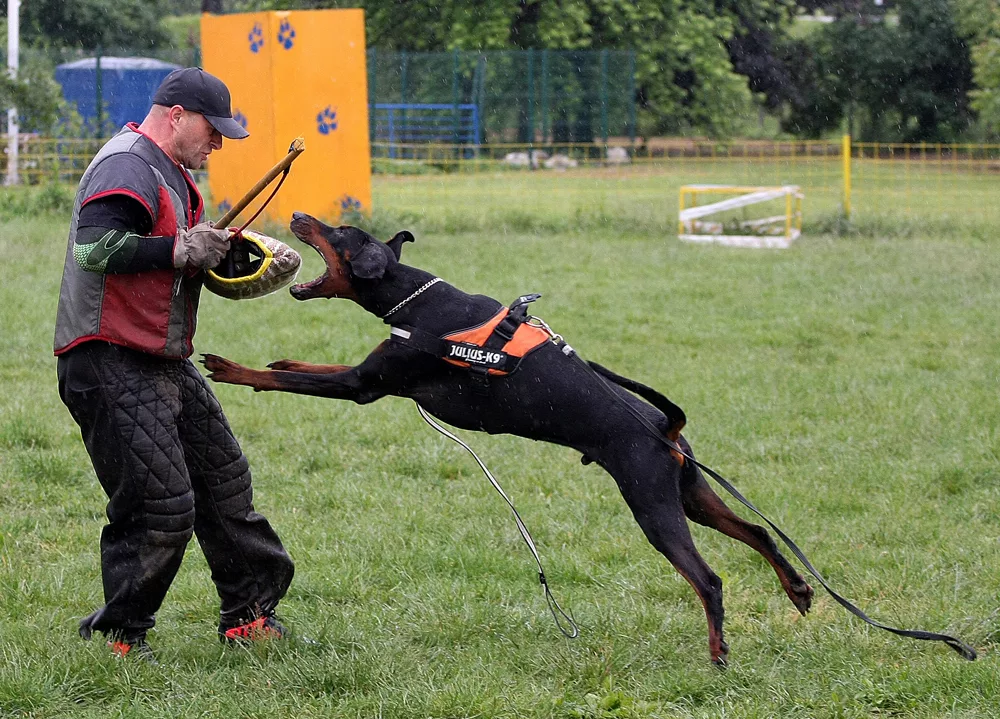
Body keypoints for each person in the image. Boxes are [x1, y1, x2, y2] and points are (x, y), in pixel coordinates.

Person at [53, 67, 295, 661]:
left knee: (225, 484)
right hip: (106, 355)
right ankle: (120, 638)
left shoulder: (178, 178)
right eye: (214, 131)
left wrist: (232, 258)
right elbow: (96, 248)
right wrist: (183, 246)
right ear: (179, 115)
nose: (218, 144)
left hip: (160, 357)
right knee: (160, 505)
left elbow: (167, 260)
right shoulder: (127, 164)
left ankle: (249, 618)